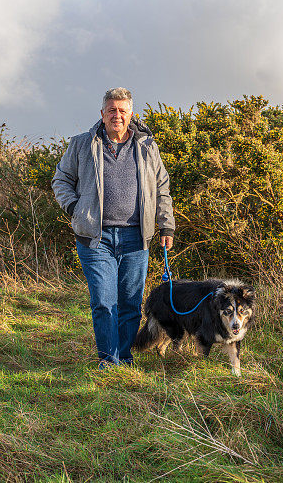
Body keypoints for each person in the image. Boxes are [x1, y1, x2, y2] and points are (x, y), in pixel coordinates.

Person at [52, 87, 175, 368]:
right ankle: (109, 360)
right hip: (96, 238)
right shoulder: (82, 144)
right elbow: (61, 180)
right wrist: (75, 209)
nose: (116, 115)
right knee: (104, 301)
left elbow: (161, 187)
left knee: (131, 304)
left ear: (131, 114)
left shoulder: (147, 146)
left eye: (122, 110)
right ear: (102, 114)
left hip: (136, 237)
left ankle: (125, 358)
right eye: (111, 110)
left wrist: (166, 226)